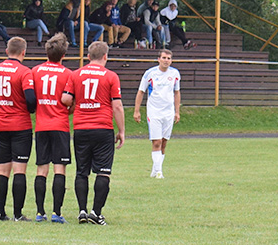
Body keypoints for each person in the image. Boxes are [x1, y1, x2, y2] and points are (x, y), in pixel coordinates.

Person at [61, 41, 125, 226]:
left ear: (88, 57)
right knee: (103, 172)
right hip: (103, 128)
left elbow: (66, 99)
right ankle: (96, 213)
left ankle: (82, 211)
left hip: (81, 127)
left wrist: (74, 105)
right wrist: (121, 131)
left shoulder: (75, 74)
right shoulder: (111, 76)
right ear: (105, 56)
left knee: (82, 172)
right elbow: (117, 106)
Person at [0, 37, 37, 221]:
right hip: (20, 126)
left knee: (2, 170)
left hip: (0, 124)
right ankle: (18, 214)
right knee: (19, 170)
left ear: (6, 50)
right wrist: (29, 110)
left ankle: (1, 213)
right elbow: (30, 99)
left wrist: (4, 107)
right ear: (23, 52)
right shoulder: (24, 72)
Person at [31, 33, 73, 224]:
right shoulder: (67, 74)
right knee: (59, 169)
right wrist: (67, 111)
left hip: (41, 126)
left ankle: (40, 212)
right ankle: (56, 212)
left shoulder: (35, 71)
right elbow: (71, 102)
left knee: (41, 170)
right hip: (60, 125)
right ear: (63, 55)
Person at [133, 49, 181, 179]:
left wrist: (177, 111)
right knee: (157, 142)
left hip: (168, 112)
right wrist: (136, 111)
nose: (166, 61)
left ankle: (155, 170)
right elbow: (141, 91)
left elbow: (176, 92)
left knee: (164, 142)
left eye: (169, 58)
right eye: (164, 58)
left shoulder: (175, 74)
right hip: (154, 111)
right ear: (158, 59)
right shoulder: (150, 74)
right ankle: (159, 171)